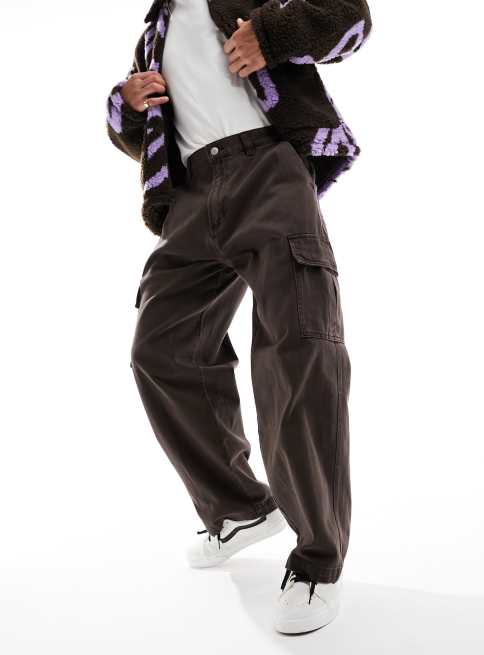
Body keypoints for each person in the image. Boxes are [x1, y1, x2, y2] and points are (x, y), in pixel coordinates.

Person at [106, 0, 372, 634]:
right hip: (191, 196)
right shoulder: (153, 34)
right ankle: (240, 508)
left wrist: (272, 34)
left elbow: (351, 18)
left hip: (267, 170)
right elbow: (143, 139)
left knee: (297, 348)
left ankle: (317, 560)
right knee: (160, 348)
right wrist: (127, 104)